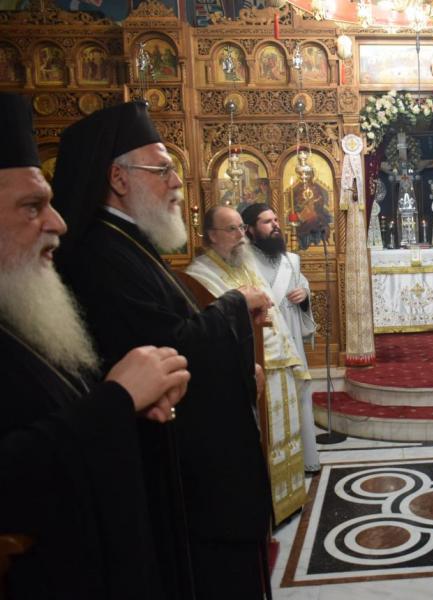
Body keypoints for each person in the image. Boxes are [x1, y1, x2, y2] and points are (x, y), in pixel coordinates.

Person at [52, 101, 275, 600]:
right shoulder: (99, 254)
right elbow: (167, 350)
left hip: (189, 469)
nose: (177, 182)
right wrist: (236, 307)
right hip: (173, 477)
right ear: (118, 177)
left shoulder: (128, 241)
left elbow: (172, 333)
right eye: (163, 170)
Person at [0, 92, 190, 599]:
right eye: (32, 206)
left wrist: (129, 403)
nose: (57, 223)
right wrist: (117, 400)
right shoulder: (99, 253)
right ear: (118, 179)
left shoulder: (20, 305)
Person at [188, 206, 312, 523]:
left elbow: (272, 313)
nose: (240, 236)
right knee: (263, 442)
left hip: (278, 362)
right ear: (211, 235)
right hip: (250, 370)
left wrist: (292, 357)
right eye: (232, 229)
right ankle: (267, 506)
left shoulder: (246, 265)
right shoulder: (199, 275)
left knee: (285, 438)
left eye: (241, 228)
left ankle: (289, 500)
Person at [242, 203, 322, 474]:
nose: (275, 225)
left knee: (297, 395)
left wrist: (304, 296)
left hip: (291, 340)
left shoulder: (291, 260)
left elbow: (302, 286)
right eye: (267, 222)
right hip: (263, 343)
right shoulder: (243, 263)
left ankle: (304, 459)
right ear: (250, 229)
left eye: (275, 219)